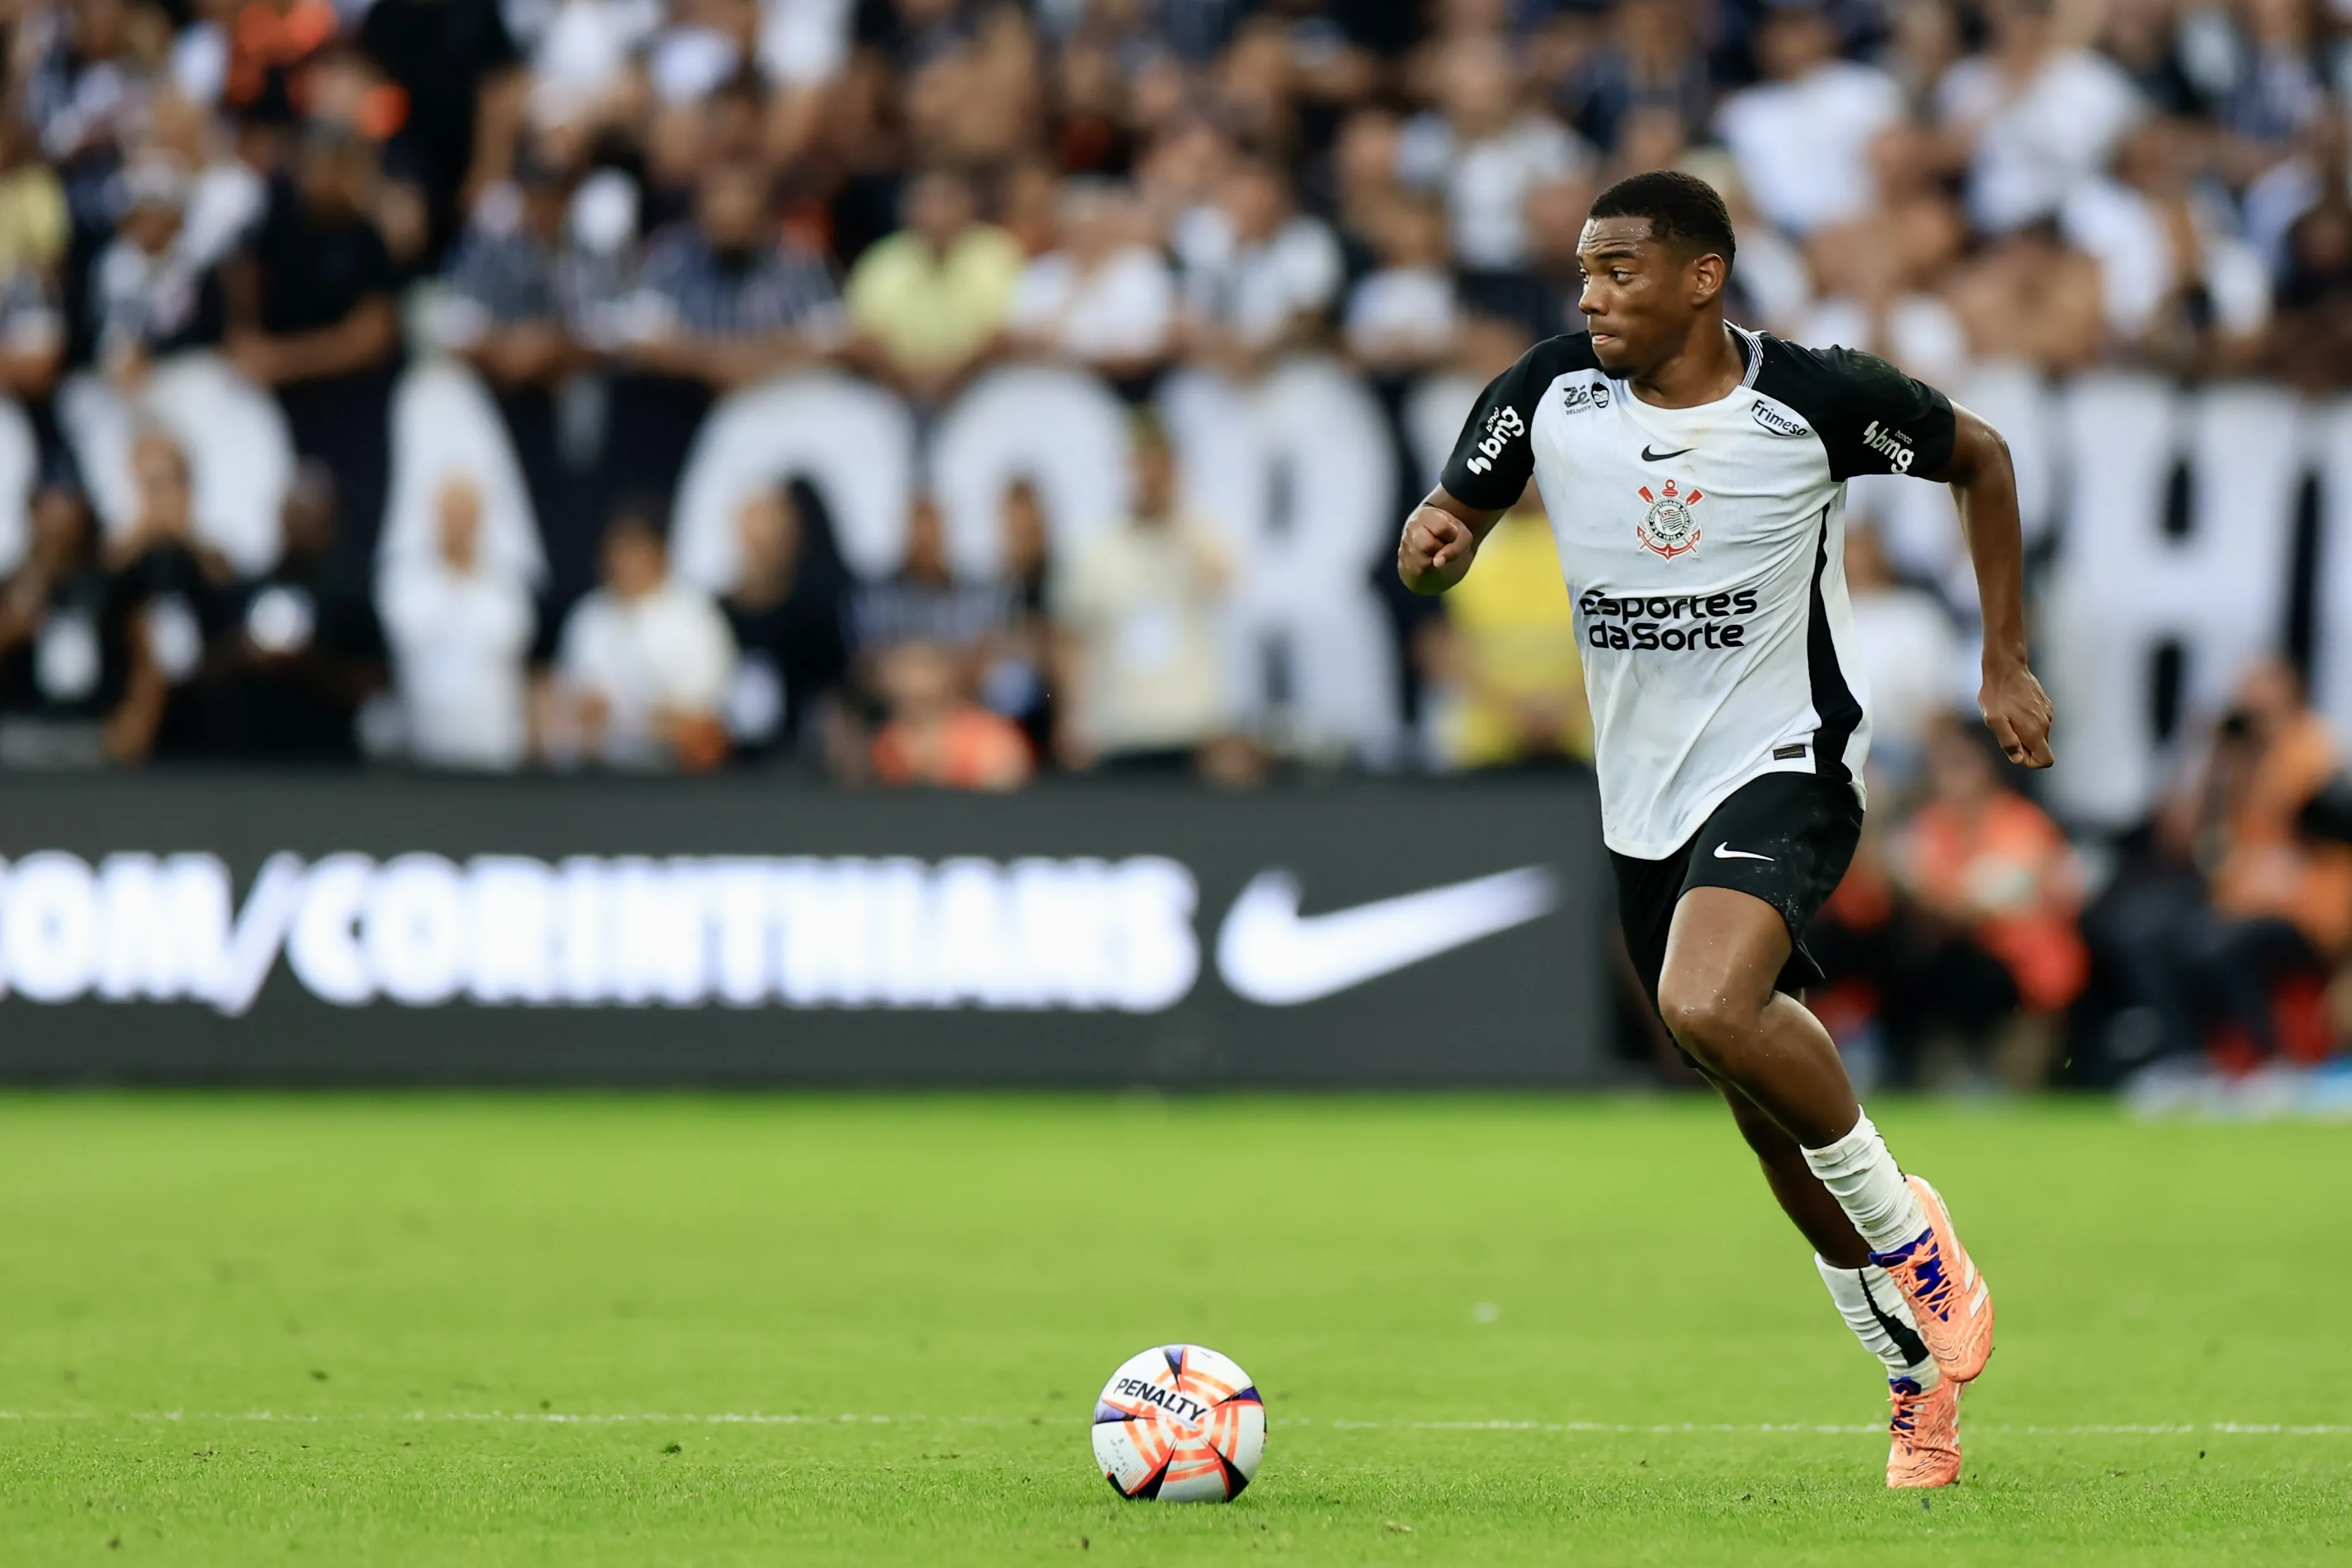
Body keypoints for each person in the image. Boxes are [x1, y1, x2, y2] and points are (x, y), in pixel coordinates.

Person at [1399, 170, 2054, 1491]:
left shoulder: (1812, 398)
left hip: (1790, 757)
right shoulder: (1548, 391)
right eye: (1585, 272)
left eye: (1620, 270)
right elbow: (1455, 512)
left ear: (1702, 278)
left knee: (1705, 998)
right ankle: (1910, 1371)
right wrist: (1437, 536)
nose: (1592, 297)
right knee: (1755, 1099)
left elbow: (1981, 457)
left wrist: (2003, 660)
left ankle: (1912, 1234)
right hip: (1643, 792)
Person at [550, 505, 736, 770]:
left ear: (659, 552)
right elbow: (570, 708)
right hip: (601, 774)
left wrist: (653, 721)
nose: (624, 561)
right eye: (617, 549)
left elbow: (707, 715)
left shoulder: (695, 616)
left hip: (679, 773)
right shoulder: (588, 617)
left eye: (634, 548)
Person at [377, 473, 536, 770]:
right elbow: (406, 639)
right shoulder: (406, 582)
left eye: (466, 515)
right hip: (425, 745)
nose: (458, 525)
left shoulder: (507, 584)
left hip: (494, 743)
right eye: (451, 515)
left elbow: (512, 641)